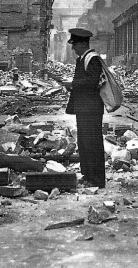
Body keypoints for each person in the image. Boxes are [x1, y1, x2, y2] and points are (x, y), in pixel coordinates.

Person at [60, 28, 105, 188]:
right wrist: (71, 87)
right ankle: (87, 175)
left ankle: (97, 179)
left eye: (74, 44)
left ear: (82, 44)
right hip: (84, 107)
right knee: (84, 143)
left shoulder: (92, 59)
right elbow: (85, 82)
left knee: (93, 143)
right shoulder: (83, 59)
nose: (72, 48)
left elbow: (92, 82)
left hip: (91, 108)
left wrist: (73, 84)